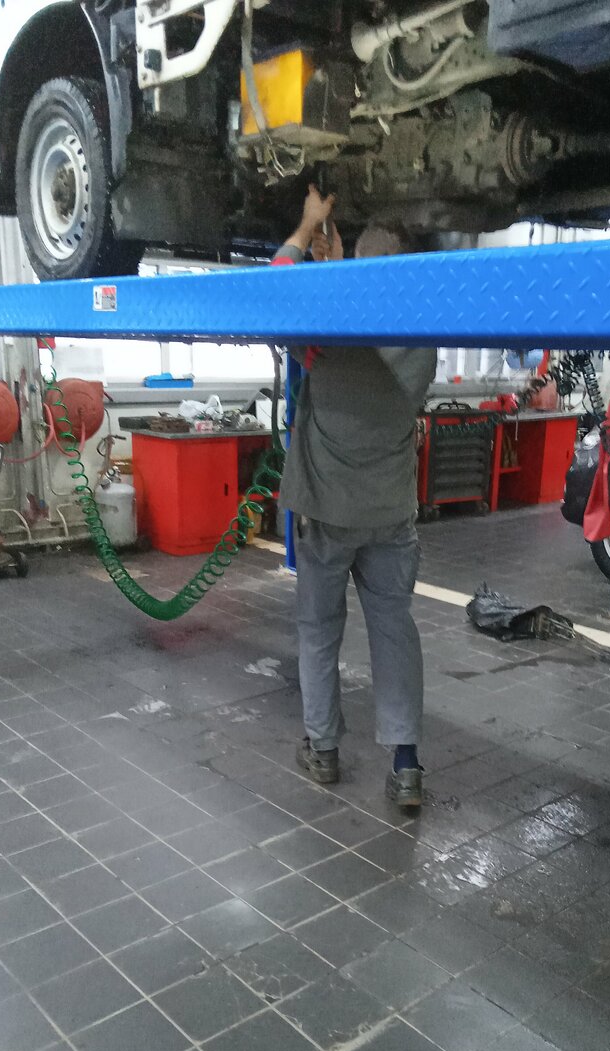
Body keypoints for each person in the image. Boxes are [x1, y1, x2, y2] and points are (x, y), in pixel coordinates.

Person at [272, 187, 437, 808]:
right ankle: (406, 767)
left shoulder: (325, 340)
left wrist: (308, 225)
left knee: (319, 631)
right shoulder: (424, 339)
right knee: (394, 633)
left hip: (327, 515)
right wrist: (339, 265)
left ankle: (323, 750)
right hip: (391, 515)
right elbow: (374, 314)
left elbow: (277, 288)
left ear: (361, 270)